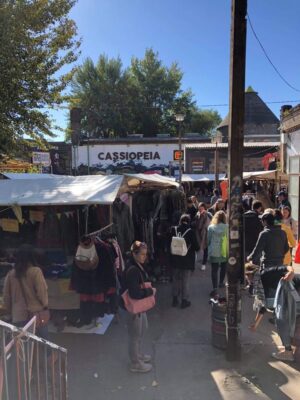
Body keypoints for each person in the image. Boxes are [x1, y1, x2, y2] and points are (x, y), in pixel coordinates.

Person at [247, 211, 296, 361]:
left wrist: (249, 260)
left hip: (268, 272)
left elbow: (255, 255)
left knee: (276, 309)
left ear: (265, 222)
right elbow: (287, 249)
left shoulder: (265, 234)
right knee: (277, 305)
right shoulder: (281, 233)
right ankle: (286, 344)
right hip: (280, 270)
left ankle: (287, 349)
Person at [3, 244, 49, 340]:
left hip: (18, 314)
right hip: (36, 314)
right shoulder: (36, 271)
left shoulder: (11, 274)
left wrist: (9, 311)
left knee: (22, 347)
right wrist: (45, 306)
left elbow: (6, 296)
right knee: (45, 344)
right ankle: (48, 356)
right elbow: (42, 292)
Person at [124, 241, 154, 373]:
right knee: (135, 335)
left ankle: (138, 355)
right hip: (134, 308)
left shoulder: (136, 266)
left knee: (141, 331)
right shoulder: (132, 270)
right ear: (134, 254)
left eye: (145, 254)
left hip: (139, 308)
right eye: (141, 254)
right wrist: (149, 292)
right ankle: (135, 363)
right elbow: (135, 293)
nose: (144, 257)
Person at [171, 214, 199, 308]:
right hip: (186, 260)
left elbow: (168, 242)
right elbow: (196, 247)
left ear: (180, 220)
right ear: (189, 221)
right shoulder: (190, 232)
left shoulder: (173, 230)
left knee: (175, 280)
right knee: (185, 281)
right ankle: (184, 301)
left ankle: (175, 299)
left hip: (175, 259)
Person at [207, 211, 228, 290]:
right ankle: (221, 282)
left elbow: (208, 239)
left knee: (214, 270)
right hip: (224, 250)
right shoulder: (227, 227)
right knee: (223, 267)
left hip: (214, 250)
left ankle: (215, 287)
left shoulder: (211, 227)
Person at [195, 202, 211, 271]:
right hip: (198, 234)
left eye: (202, 208)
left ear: (204, 208)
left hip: (205, 234)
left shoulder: (207, 214)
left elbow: (206, 224)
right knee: (196, 248)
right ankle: (195, 263)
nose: (200, 209)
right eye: (199, 208)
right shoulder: (197, 214)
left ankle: (203, 264)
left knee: (205, 249)